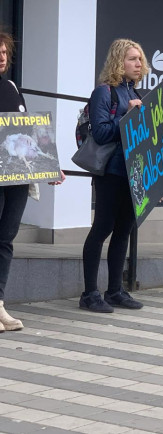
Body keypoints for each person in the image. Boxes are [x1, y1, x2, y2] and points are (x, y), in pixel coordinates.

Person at [0, 32, 65, 330]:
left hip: (15, 180)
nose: (2, 56)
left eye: (4, 51)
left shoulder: (12, 87)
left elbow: (27, 133)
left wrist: (50, 166)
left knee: (5, 239)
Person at [79, 39, 147, 312]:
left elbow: (148, 142)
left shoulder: (138, 93)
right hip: (111, 173)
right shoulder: (104, 92)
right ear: (119, 62)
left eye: (140, 59)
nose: (138, 64)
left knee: (124, 231)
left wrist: (154, 181)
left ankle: (115, 291)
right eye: (132, 59)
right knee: (102, 229)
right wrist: (129, 115)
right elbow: (103, 133)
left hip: (135, 175)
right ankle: (89, 294)